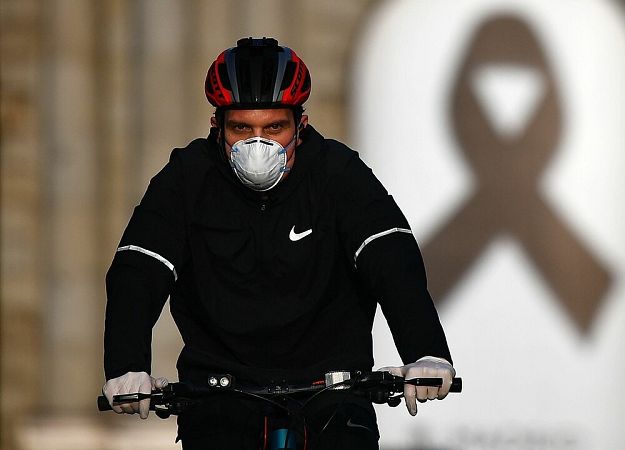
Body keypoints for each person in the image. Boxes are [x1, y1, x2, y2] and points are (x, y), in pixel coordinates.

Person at [101, 37, 455, 449]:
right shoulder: (186, 178)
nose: (258, 144)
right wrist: (126, 365)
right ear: (217, 126)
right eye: (241, 128)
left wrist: (427, 351)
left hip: (333, 389)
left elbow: (392, 259)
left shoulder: (338, 172)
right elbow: (138, 270)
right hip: (220, 392)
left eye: (274, 127)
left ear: (300, 126)